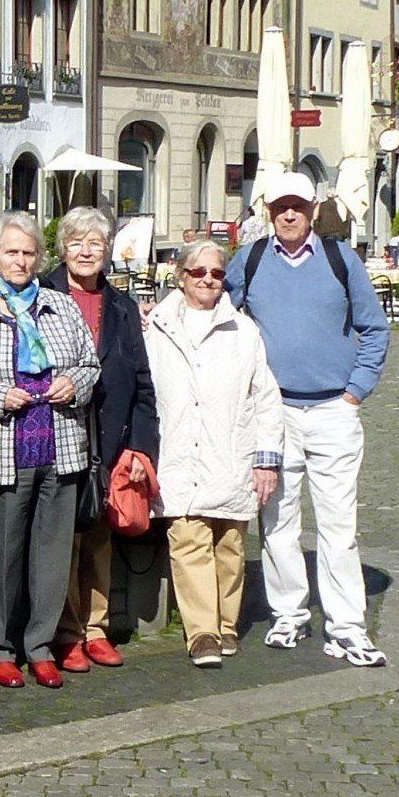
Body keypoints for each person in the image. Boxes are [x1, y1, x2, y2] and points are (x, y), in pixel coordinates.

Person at [227, 172, 390, 667]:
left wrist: (354, 394)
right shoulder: (249, 261)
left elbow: (374, 329)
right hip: (273, 413)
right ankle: (289, 612)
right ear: (268, 212)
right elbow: (215, 312)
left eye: (298, 206)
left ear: (314, 209)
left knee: (338, 525)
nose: (290, 214)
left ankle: (346, 626)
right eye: (281, 207)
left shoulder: (342, 260)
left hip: (332, 410)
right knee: (276, 520)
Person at [0, 211, 100, 690]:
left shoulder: (60, 306)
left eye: (28, 252)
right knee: (0, 556)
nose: (21, 260)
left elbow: (90, 364)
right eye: (11, 252)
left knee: (50, 556)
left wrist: (76, 383)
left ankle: (41, 646)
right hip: (4, 445)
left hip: (60, 442)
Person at [147, 241, 283, 667]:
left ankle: (226, 625)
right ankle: (202, 632)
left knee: (228, 545)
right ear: (181, 275)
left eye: (216, 273)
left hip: (231, 452)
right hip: (179, 454)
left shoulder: (243, 331)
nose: (207, 279)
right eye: (198, 271)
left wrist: (266, 459)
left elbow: (266, 397)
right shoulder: (155, 328)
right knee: (188, 540)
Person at [41, 207, 156, 673]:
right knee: (62, 539)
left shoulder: (124, 308)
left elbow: (144, 384)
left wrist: (141, 448)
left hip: (110, 440)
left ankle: (96, 627)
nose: (86, 251)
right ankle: (66, 632)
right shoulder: (42, 295)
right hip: (57, 436)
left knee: (100, 537)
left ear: (108, 251)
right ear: (62, 249)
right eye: (76, 242)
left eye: (95, 243)